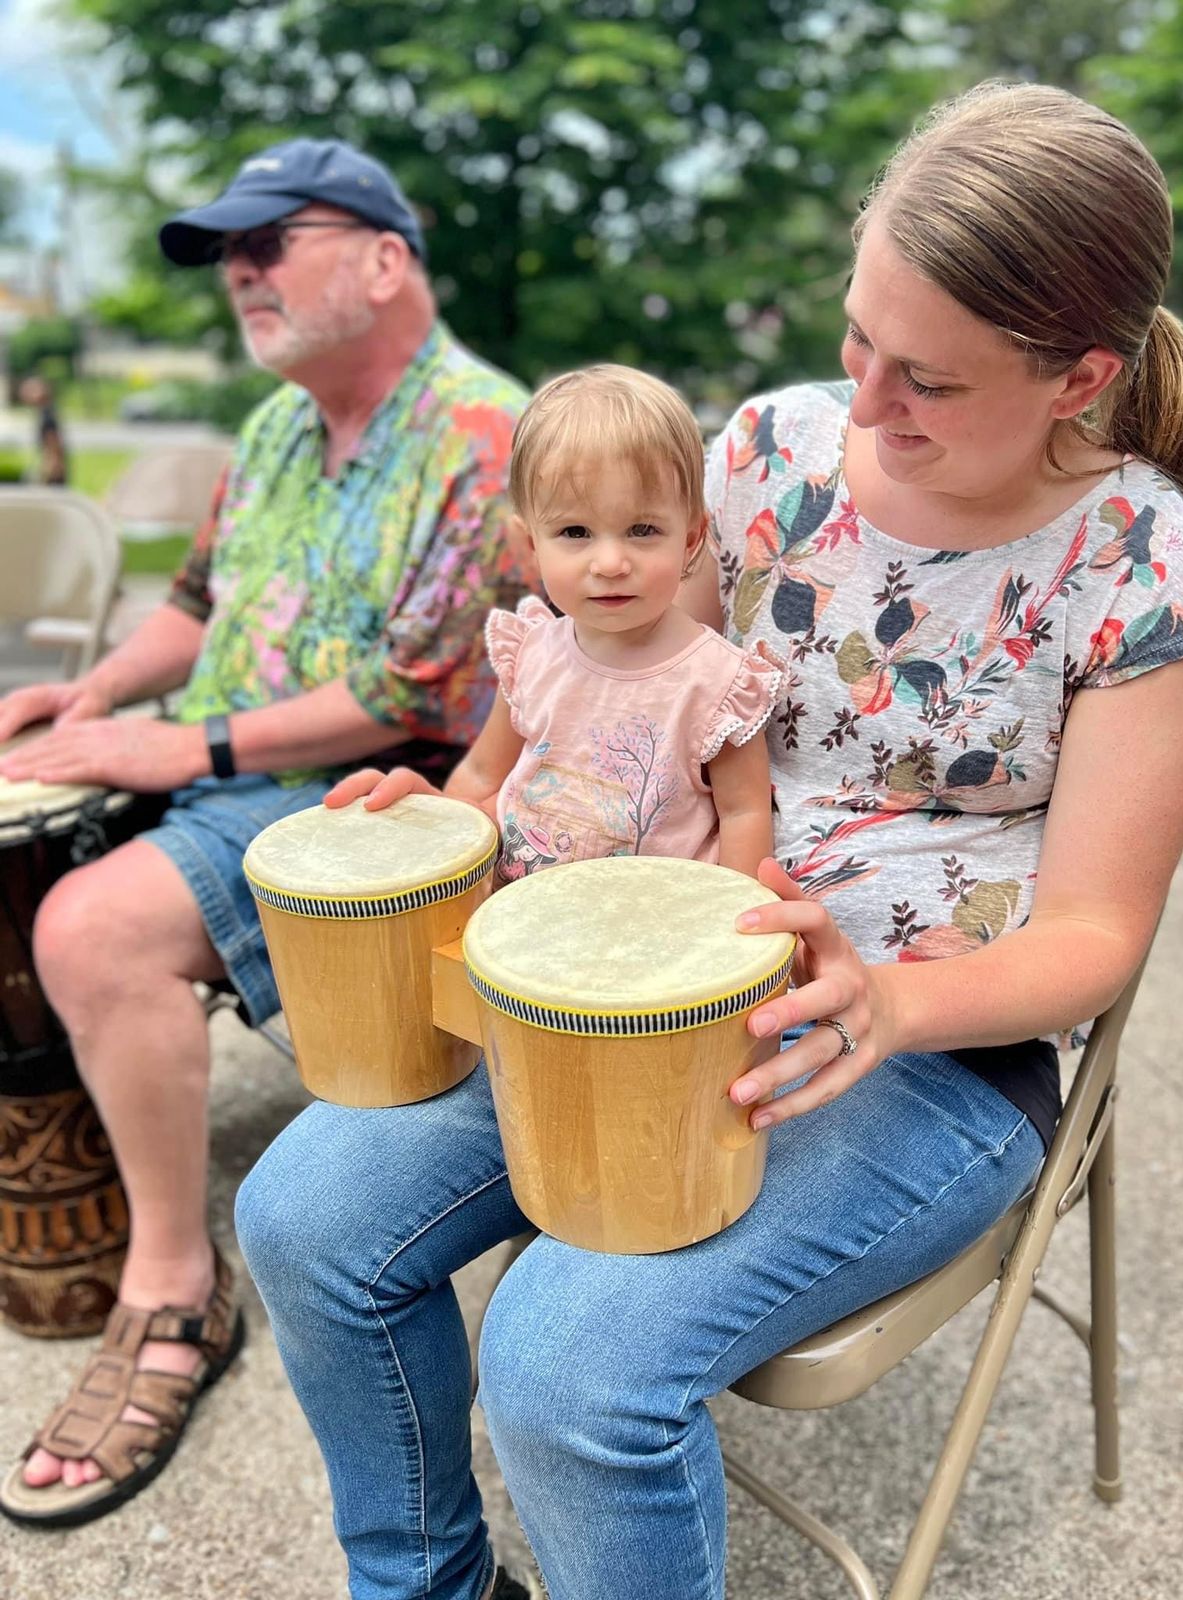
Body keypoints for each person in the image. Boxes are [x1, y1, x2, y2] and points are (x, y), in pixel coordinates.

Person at [234, 83, 1183, 1600]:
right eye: (857, 339)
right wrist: (458, 803)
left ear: (1078, 378)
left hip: (919, 1045)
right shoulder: (770, 449)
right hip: (633, 969)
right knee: (303, 1221)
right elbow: (622, 693)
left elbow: (1095, 938)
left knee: (565, 1366)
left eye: (928, 381)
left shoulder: (1142, 565)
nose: (865, 406)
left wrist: (886, 1000)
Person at [0, 137, 530, 1528]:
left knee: (86, 925)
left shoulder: (486, 434)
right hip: (233, 766)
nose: (237, 271)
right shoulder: (273, 431)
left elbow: (417, 692)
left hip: (381, 799)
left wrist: (179, 747)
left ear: (385, 259)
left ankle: (175, 1286)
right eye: (224, 253)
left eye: (267, 241)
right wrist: (97, 694)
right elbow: (192, 604)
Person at [338, 365, 785, 883]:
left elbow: (744, 813)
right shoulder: (532, 654)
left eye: (642, 529)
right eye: (575, 532)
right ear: (531, 546)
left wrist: (734, 914)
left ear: (689, 540)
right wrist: (437, 829)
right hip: (514, 908)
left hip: (648, 919)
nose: (610, 563)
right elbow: (482, 775)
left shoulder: (720, 685)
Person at [18, 374, 68, 487]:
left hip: (53, 475)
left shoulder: (47, 415)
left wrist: (46, 475)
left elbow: (54, 447)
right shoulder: (46, 412)